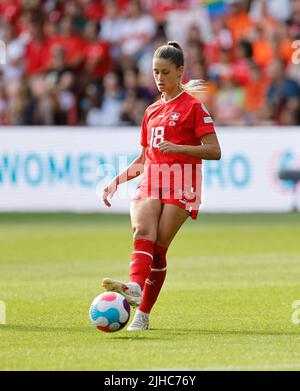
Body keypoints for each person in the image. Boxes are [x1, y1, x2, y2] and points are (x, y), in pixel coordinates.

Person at [101, 41, 221, 331]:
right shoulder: (151, 111)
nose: (159, 78)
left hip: (182, 183)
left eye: (165, 72)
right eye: (155, 72)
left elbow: (214, 150)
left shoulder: (193, 107)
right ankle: (134, 286)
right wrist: (116, 181)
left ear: (180, 72)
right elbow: (143, 158)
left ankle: (142, 313)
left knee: (158, 249)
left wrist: (180, 147)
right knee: (142, 231)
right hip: (151, 180)